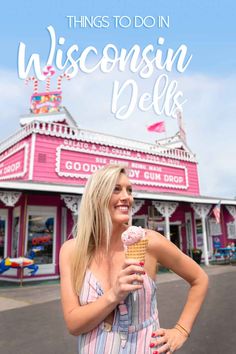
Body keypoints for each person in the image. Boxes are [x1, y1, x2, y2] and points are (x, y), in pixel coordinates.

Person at [59, 164, 208, 354]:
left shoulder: (149, 241)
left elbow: (199, 279)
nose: (127, 197)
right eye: (116, 189)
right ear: (96, 197)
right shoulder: (72, 251)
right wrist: (114, 295)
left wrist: (181, 330)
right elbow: (73, 325)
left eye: (129, 190)